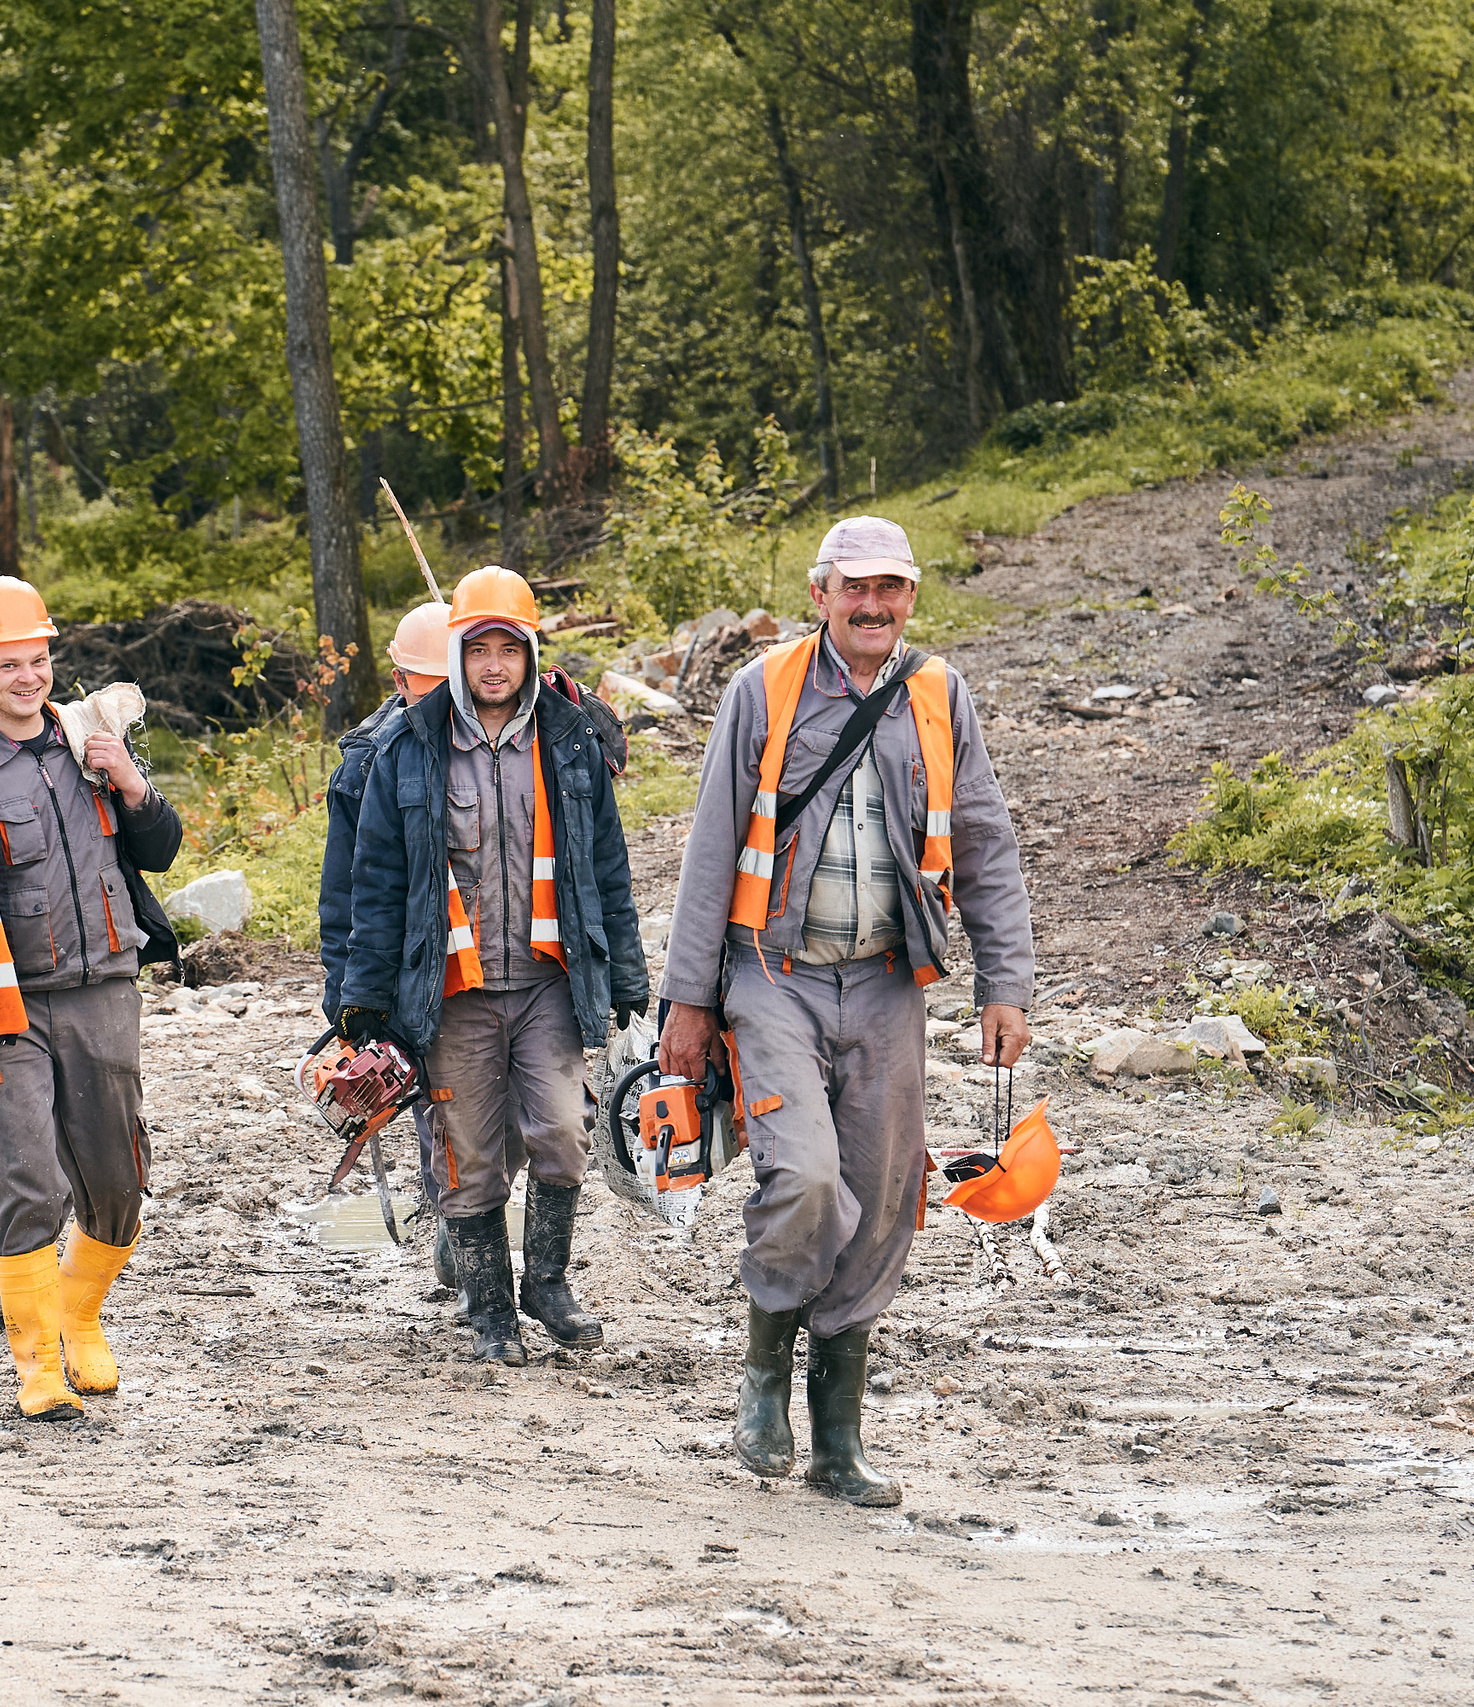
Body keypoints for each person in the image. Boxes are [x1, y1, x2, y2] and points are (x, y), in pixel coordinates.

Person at [656, 515, 1034, 1505]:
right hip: (769, 974)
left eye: (890, 590)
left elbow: (986, 843)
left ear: (910, 597)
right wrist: (687, 1006)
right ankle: (761, 1379)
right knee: (810, 1178)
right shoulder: (763, 690)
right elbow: (707, 856)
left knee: (885, 1201)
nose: (872, 607)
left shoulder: (939, 695)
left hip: (886, 982)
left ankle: (836, 1440)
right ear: (820, 594)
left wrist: (1007, 983)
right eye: (853, 589)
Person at [0, 576, 183, 1420]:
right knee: (26, 1180)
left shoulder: (91, 742)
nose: (30, 676)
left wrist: (132, 781)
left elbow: (160, 849)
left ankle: (81, 1313)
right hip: (0, 1011)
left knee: (118, 1180)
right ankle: (37, 1366)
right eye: (10, 662)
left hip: (104, 995)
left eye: (41, 657)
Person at [338, 566, 648, 1365]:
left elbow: (604, 867)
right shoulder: (408, 746)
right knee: (467, 1155)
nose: (495, 665)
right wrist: (361, 997)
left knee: (563, 1133)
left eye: (510, 647)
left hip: (549, 979)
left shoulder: (571, 740)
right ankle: (490, 1313)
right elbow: (375, 881)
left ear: (532, 652)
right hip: (454, 992)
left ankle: (546, 1280)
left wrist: (626, 977)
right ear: (457, 655)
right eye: (480, 649)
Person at [318, 602, 457, 1273]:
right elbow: (344, 895)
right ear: (400, 681)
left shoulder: (509, 734)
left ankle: (469, 1221)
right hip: (408, 968)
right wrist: (344, 1000)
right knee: (443, 1109)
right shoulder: (368, 762)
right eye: (429, 688)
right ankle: (461, 1243)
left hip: (495, 960)